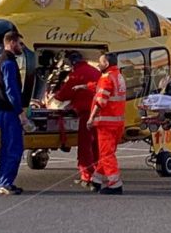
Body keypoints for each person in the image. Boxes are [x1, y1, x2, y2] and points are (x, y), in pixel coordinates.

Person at [52, 51, 101, 190]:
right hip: (100, 113)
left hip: (86, 114)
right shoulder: (95, 71)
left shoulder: (77, 74)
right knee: (96, 146)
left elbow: (64, 94)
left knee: (85, 146)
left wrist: (54, 95)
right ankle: (98, 174)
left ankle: (87, 176)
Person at [0, 30, 27, 195]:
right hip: (10, 112)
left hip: (2, 110)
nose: (21, 47)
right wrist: (20, 111)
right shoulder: (9, 63)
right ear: (12, 42)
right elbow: (11, 89)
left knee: (6, 148)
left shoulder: (0, 60)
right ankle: (6, 182)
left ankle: (2, 182)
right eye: (20, 43)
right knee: (14, 148)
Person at [87, 53, 126, 195]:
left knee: (106, 154)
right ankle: (96, 180)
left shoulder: (106, 78)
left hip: (106, 123)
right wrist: (84, 86)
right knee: (107, 152)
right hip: (117, 122)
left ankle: (115, 184)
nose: (98, 64)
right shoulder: (119, 76)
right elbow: (100, 88)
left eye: (101, 62)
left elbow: (101, 101)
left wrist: (91, 118)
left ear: (107, 64)